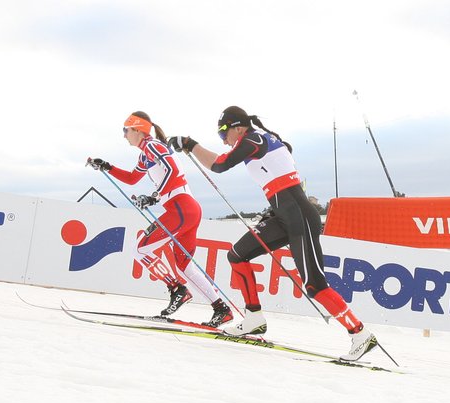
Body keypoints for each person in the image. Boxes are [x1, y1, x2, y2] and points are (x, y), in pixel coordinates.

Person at [167, 106, 377, 361]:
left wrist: (190, 143)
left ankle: (359, 333)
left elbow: (220, 165)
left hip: (299, 218)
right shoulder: (256, 140)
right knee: (237, 255)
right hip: (282, 216)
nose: (224, 140)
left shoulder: (253, 139)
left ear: (238, 127)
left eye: (223, 133)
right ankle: (254, 317)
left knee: (315, 286)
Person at [87, 111, 233, 326]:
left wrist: (154, 197)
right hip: (186, 209)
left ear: (137, 129)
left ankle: (177, 289)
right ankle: (221, 309)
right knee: (184, 265)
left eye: (125, 130)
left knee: (141, 249)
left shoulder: (152, 146)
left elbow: (172, 171)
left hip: (180, 208)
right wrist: (107, 167)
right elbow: (132, 178)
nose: (124, 135)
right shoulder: (145, 153)